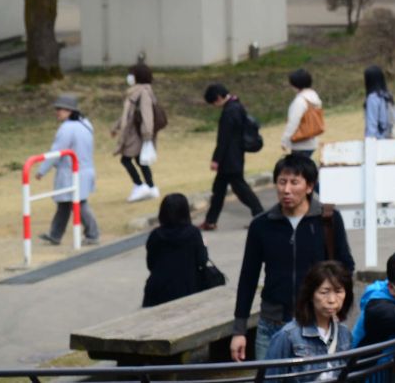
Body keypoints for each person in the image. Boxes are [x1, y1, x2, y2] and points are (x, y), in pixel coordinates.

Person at [232, 155, 355, 361]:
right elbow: (248, 278)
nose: (286, 189)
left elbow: (345, 267)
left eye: (294, 182)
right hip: (272, 325)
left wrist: (335, 304)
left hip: (317, 324)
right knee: (269, 375)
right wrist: (239, 330)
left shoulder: (328, 219)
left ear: (309, 186)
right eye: (282, 182)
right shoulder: (261, 225)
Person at [264, 260, 355, 377]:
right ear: (311, 295)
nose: (332, 300)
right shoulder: (288, 336)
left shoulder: (344, 334)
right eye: (324, 292)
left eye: (338, 291)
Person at [36, 93, 100, 246]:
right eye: (57, 109)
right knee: (65, 204)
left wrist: (42, 170)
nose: (58, 112)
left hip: (72, 172)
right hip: (84, 169)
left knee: (78, 203)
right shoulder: (85, 124)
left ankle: (92, 234)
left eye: (61, 109)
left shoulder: (67, 128)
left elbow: (56, 152)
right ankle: (55, 235)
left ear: (70, 111)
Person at [202, 83, 265, 230]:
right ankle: (210, 220)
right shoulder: (237, 105)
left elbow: (223, 139)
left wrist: (216, 159)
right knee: (219, 190)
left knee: (241, 190)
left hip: (229, 158)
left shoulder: (229, 111)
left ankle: (260, 215)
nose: (214, 106)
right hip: (235, 155)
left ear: (218, 98)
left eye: (213, 102)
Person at [144, 194, 213, 307]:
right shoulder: (193, 233)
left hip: (158, 292)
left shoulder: (155, 235)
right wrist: (204, 246)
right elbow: (202, 261)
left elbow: (151, 265)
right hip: (188, 289)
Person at [113, 62, 161, 202]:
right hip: (136, 132)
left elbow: (147, 115)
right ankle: (151, 187)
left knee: (126, 159)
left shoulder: (143, 92)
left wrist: (147, 135)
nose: (129, 77)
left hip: (138, 134)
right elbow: (127, 114)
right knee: (141, 161)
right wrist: (116, 126)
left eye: (131, 74)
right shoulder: (138, 92)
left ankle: (140, 185)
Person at [283, 69, 324, 158]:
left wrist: (285, 140)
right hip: (312, 140)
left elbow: (293, 122)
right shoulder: (314, 97)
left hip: (300, 143)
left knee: (299, 166)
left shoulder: (300, 101)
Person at [363, 66, 395, 139]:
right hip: (390, 136)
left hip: (379, 139)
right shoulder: (387, 95)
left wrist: (369, 140)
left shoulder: (373, 98)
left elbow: (372, 124)